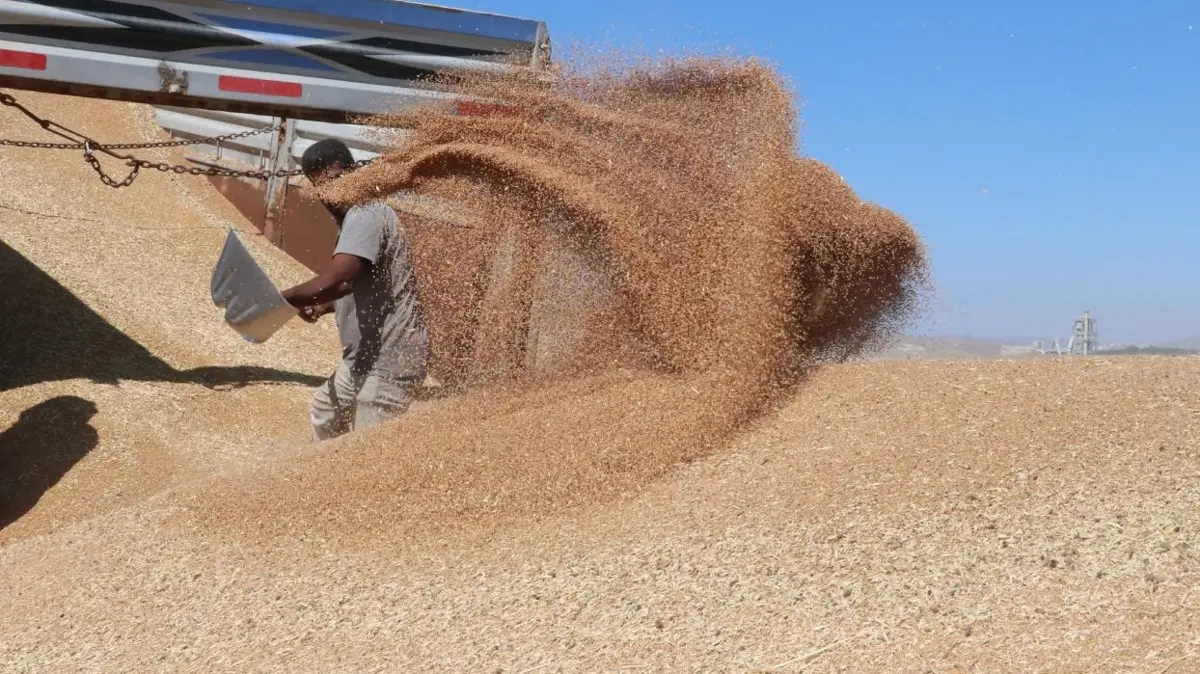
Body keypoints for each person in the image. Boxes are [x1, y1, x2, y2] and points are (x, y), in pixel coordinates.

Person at [281, 138, 429, 441]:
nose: (331, 194)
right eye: (322, 188)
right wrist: (324, 305)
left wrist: (281, 299)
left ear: (354, 173)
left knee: (368, 449)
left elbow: (342, 279)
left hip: (390, 360)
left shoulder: (365, 212)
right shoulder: (355, 218)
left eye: (337, 181)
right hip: (363, 359)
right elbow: (360, 284)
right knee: (326, 409)